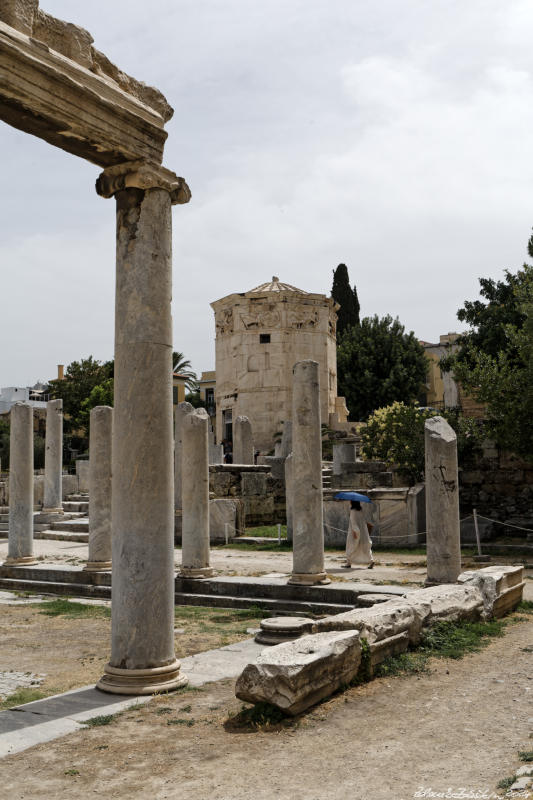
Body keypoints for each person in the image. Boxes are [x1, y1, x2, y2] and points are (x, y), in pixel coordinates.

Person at [343, 500, 374, 569]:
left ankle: (348, 563)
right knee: (365, 547)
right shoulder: (360, 511)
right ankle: (371, 560)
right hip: (363, 531)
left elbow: (353, 522)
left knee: (350, 547)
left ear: (352, 502)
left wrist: (355, 531)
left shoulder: (353, 511)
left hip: (354, 532)